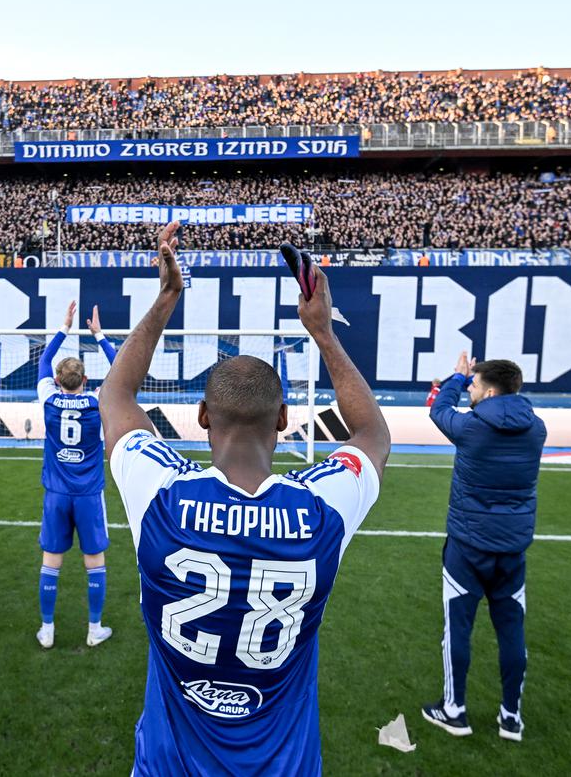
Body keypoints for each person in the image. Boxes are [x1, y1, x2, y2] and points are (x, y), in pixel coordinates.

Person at [100, 223, 391, 775]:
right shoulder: (319, 509)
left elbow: (115, 392)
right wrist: (324, 334)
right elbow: (372, 436)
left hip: (168, 764)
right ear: (284, 419)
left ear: (203, 417)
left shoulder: (161, 493)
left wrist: (166, 298)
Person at [422, 352, 546, 743]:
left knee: (457, 629)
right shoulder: (537, 428)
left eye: (475, 385)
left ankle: (455, 710)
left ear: (489, 391)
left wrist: (456, 378)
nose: (470, 390)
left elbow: (438, 408)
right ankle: (511, 717)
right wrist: (466, 381)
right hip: (512, 548)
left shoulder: (471, 428)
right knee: (512, 632)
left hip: (467, 547)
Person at [34, 301, 118, 650]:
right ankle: (94, 627)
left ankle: (47, 629)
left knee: (51, 561)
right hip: (87, 493)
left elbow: (41, 362)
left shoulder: (48, 399)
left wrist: (64, 328)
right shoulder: (99, 401)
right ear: (85, 380)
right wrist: (98, 334)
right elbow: (121, 370)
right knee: (94, 561)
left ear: (57, 380)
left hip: (56, 493)